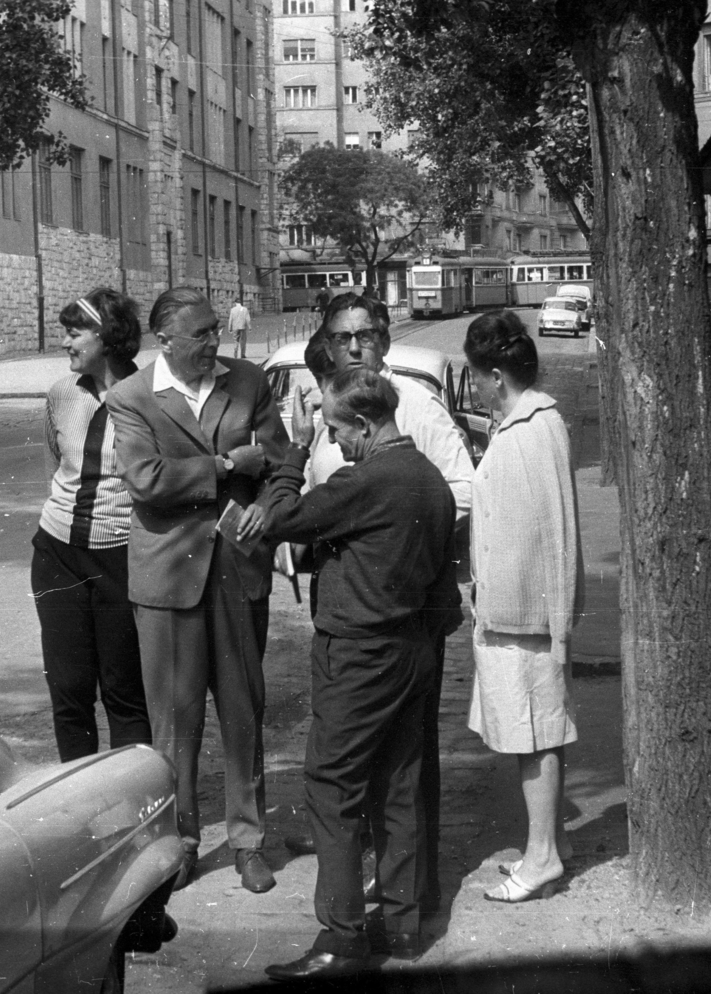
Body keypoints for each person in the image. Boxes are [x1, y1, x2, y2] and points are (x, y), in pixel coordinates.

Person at [260, 368, 461, 980]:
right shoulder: (431, 480)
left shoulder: (362, 480)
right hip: (413, 651)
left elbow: (278, 517)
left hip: (359, 656)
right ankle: (403, 926)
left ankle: (341, 939)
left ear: (366, 425)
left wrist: (293, 454)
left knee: (332, 787)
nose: (335, 444)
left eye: (337, 431)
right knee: (400, 784)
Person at [105, 286, 291, 894]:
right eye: (203, 334)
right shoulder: (130, 397)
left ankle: (248, 841)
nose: (216, 340)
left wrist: (267, 504)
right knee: (174, 722)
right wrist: (228, 466)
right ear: (166, 341)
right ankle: (180, 841)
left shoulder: (248, 379)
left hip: (239, 570)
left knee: (243, 711)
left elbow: (282, 459)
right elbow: (146, 480)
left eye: (216, 329)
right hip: (169, 576)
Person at [297, 292, 474, 914]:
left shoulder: (413, 403)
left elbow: (459, 490)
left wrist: (395, 552)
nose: (354, 347)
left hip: (397, 603)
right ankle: (384, 891)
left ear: (386, 339)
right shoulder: (330, 403)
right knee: (375, 764)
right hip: (354, 595)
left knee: (396, 764)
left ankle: (396, 894)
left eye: (366, 335)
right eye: (343, 337)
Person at [462, 309, 582, 903]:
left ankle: (541, 858)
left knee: (535, 733)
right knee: (529, 732)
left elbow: (554, 531)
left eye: (477, 378)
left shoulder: (533, 429)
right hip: (516, 613)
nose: (477, 389)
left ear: (495, 375)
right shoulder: (523, 424)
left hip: (527, 618)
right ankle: (544, 847)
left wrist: (553, 622)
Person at [32, 290, 152, 762]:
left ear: (107, 336)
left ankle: (134, 808)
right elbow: (54, 466)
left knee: (124, 691)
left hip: (121, 557)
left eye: (74, 332)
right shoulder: (62, 395)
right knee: (69, 690)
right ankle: (79, 804)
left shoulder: (148, 399)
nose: (65, 342)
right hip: (57, 554)